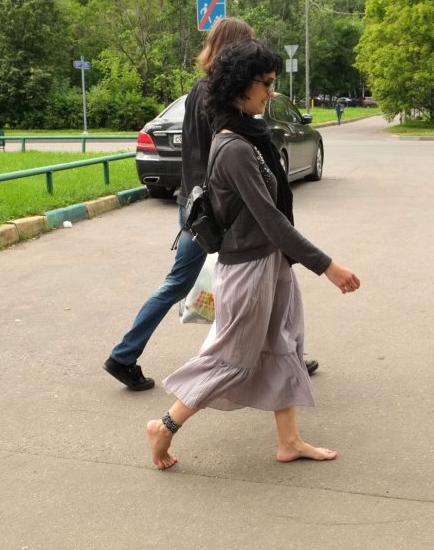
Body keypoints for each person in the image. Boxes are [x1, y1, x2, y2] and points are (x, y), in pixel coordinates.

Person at [146, 39, 361, 470]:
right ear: (240, 86)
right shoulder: (234, 149)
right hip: (247, 269)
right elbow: (271, 221)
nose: (271, 92)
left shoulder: (250, 135)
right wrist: (327, 266)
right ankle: (164, 426)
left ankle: (289, 441)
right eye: (266, 83)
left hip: (271, 262)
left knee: (285, 344)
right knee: (233, 360)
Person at [102, 18, 320, 391]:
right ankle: (124, 356)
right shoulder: (216, 95)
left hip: (198, 201)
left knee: (263, 274)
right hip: (214, 209)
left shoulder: (199, 90)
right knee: (208, 279)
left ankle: (288, 356)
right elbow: (222, 152)